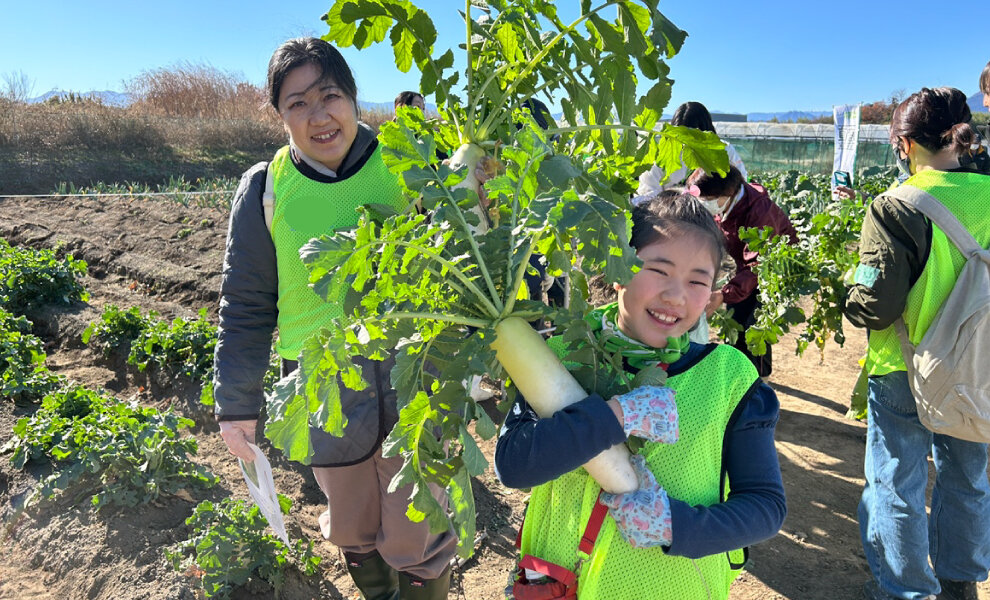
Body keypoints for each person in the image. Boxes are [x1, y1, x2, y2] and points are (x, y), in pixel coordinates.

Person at [212, 38, 456, 600]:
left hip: (413, 375)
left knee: (418, 524)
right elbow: (246, 302)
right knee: (352, 524)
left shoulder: (411, 165)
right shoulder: (266, 188)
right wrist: (237, 403)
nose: (319, 116)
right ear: (280, 116)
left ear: (352, 97)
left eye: (331, 95)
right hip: (322, 386)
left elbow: (459, 264)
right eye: (298, 103)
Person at [494, 193, 786, 599]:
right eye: (659, 271)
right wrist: (615, 415)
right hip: (556, 583)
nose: (676, 296)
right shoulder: (556, 357)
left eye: (698, 281)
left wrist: (674, 525)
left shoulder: (729, 378)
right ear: (619, 268)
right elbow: (514, 466)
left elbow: (765, 506)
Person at [843, 87, 990, 600]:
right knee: (968, 479)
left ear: (903, 143)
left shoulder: (894, 207)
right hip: (979, 370)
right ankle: (960, 582)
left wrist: (850, 296)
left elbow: (877, 304)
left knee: (897, 485)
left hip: (905, 369)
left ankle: (906, 591)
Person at [685, 166, 797, 377]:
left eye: (708, 198)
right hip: (746, 267)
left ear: (727, 194)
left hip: (773, 270)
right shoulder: (724, 205)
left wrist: (723, 294)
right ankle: (738, 374)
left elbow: (758, 265)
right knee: (736, 317)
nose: (704, 203)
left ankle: (758, 380)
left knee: (754, 324)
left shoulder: (759, 211)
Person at [636, 101, 747, 203]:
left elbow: (742, 186)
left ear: (706, 132)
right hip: (673, 218)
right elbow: (648, 192)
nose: (686, 144)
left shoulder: (724, 150)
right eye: (681, 137)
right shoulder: (660, 154)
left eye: (693, 138)